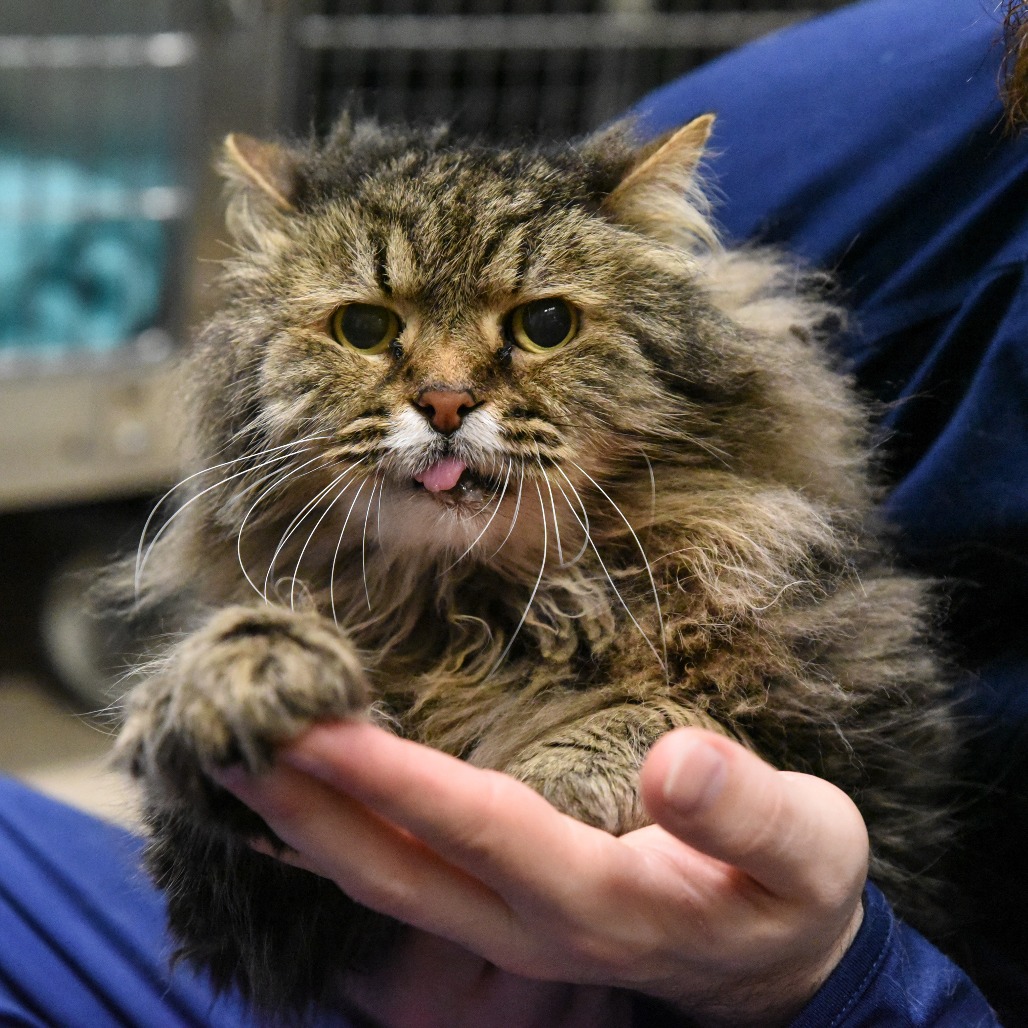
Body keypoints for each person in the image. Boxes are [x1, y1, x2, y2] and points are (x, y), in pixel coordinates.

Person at [2, 0, 1025, 1023]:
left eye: (541, 323)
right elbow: (230, 925)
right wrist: (237, 713)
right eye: (364, 326)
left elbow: (881, 835)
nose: (446, 392)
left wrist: (637, 747)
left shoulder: (796, 617)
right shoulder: (911, 95)